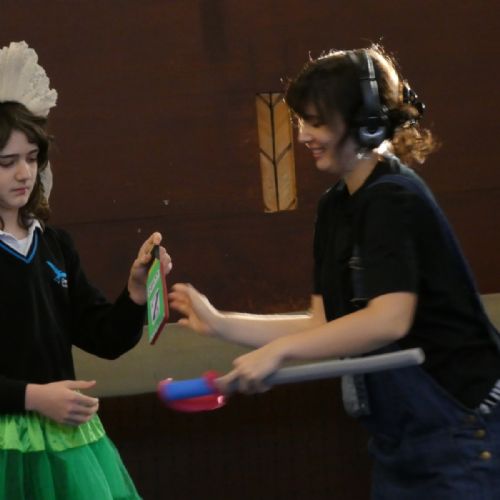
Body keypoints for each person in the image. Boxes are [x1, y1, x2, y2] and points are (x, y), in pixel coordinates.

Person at [169, 44, 500, 498]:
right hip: (402, 439)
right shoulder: (336, 207)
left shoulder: (393, 198)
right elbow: (324, 323)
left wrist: (280, 352)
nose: (303, 135)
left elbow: (389, 319)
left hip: (461, 428)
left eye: (317, 122)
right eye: (302, 120)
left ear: (366, 123)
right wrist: (222, 324)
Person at [0, 41, 172, 499]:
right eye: (7, 162)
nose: (24, 174)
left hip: (66, 443)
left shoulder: (54, 244)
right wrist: (34, 397)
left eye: (32, 158)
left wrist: (135, 293)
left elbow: (104, 337)